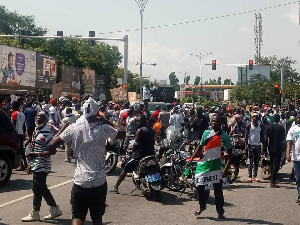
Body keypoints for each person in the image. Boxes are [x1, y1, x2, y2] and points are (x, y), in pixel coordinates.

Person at [50, 97, 125, 225]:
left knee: (78, 216)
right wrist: (106, 120)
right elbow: (123, 133)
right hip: (99, 181)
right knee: (97, 218)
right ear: (97, 113)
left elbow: (52, 144)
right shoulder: (104, 129)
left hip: (81, 181)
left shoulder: (73, 128)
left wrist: (62, 129)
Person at [22, 111, 61, 222]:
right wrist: (30, 164)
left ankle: (36, 212)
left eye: (42, 116)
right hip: (36, 164)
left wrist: (37, 155)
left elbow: (52, 151)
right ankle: (54, 209)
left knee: (37, 188)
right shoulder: (36, 130)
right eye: (38, 116)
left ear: (46, 119)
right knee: (40, 187)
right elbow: (33, 147)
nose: (39, 118)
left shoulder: (46, 133)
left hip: (43, 165)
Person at [191, 114, 232, 220]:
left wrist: (226, 169)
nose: (214, 123)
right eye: (213, 121)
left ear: (221, 123)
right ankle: (202, 206)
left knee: (218, 191)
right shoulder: (206, 133)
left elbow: (230, 155)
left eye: (217, 121)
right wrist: (192, 158)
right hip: (204, 164)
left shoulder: (225, 137)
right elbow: (200, 147)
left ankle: (220, 212)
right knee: (199, 186)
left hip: (217, 167)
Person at [110, 114, 156, 194]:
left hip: (140, 155)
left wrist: (132, 152)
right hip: (151, 153)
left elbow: (136, 144)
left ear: (144, 121)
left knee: (125, 168)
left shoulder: (140, 130)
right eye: (137, 121)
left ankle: (115, 187)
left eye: (139, 121)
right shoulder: (151, 130)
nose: (138, 123)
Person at [265, 114, 286, 187]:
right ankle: (273, 181)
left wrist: (265, 148)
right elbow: (283, 138)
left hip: (270, 147)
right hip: (278, 148)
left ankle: (273, 178)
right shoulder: (281, 128)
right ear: (278, 119)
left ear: (273, 119)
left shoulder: (268, 127)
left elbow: (266, 139)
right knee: (276, 164)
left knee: (271, 163)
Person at [245, 113, 266, 182]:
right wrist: (246, 145)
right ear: (251, 117)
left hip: (258, 145)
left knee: (256, 161)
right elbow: (246, 136)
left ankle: (255, 176)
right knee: (250, 161)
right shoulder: (249, 126)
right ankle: (250, 176)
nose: (255, 118)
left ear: (258, 118)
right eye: (253, 117)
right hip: (250, 145)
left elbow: (262, 136)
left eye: (256, 117)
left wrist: (264, 144)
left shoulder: (261, 126)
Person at [286, 112, 300, 205]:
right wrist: (288, 153)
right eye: (298, 117)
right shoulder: (293, 129)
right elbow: (289, 142)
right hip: (296, 158)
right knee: (298, 178)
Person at [11, 101, 28, 171]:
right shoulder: (22, 114)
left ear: (14, 106)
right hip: (21, 133)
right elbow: (24, 125)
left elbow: (13, 125)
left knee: (17, 150)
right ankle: (24, 164)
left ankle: (22, 165)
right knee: (21, 150)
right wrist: (24, 134)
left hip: (16, 134)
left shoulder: (14, 114)